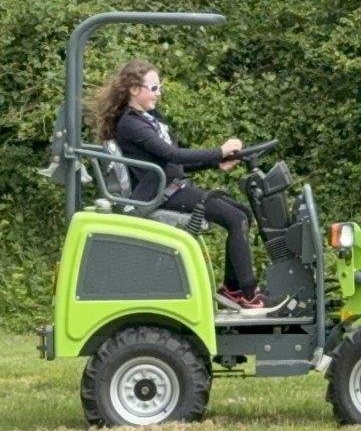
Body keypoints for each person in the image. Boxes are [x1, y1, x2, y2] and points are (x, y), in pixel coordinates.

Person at [91, 58, 266, 309]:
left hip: (173, 187)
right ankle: (248, 294)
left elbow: (171, 164)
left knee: (243, 214)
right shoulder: (131, 124)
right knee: (235, 219)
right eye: (154, 88)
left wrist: (216, 162)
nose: (158, 93)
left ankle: (232, 289)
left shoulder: (148, 118)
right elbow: (172, 155)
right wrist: (219, 151)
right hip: (162, 194)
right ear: (134, 89)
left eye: (159, 87)